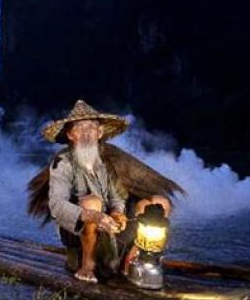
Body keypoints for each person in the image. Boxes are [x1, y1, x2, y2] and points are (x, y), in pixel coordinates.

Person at [41, 100, 172, 283]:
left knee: (159, 203)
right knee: (92, 202)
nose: (86, 133)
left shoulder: (103, 164)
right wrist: (93, 216)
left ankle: (132, 261)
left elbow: (117, 196)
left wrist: (117, 214)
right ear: (71, 135)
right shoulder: (62, 163)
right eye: (79, 128)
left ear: (99, 132)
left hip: (107, 227)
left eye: (92, 128)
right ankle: (88, 266)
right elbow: (56, 205)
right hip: (78, 232)